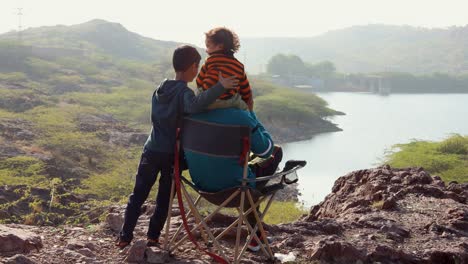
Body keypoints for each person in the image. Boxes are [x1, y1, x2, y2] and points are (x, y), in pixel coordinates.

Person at [116, 45, 239, 249]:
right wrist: (220, 86)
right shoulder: (183, 92)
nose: (197, 71)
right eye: (197, 66)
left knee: (138, 195)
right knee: (164, 199)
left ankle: (124, 236)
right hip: (170, 154)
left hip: (151, 149)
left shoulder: (160, 88)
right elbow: (195, 105)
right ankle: (153, 237)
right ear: (192, 67)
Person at [183, 108, 283, 252]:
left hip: (204, 187)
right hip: (237, 190)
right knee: (275, 152)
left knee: (243, 173)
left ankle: (257, 235)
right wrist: (252, 113)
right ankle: (255, 236)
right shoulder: (242, 116)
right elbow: (266, 150)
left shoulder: (191, 115)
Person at [195, 27, 253, 111]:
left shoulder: (210, 60)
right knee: (242, 104)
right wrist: (249, 106)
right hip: (228, 103)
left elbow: (199, 81)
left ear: (220, 46)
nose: (206, 50)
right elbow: (246, 91)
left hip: (207, 102)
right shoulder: (239, 66)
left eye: (208, 46)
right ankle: (250, 117)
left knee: (199, 90)